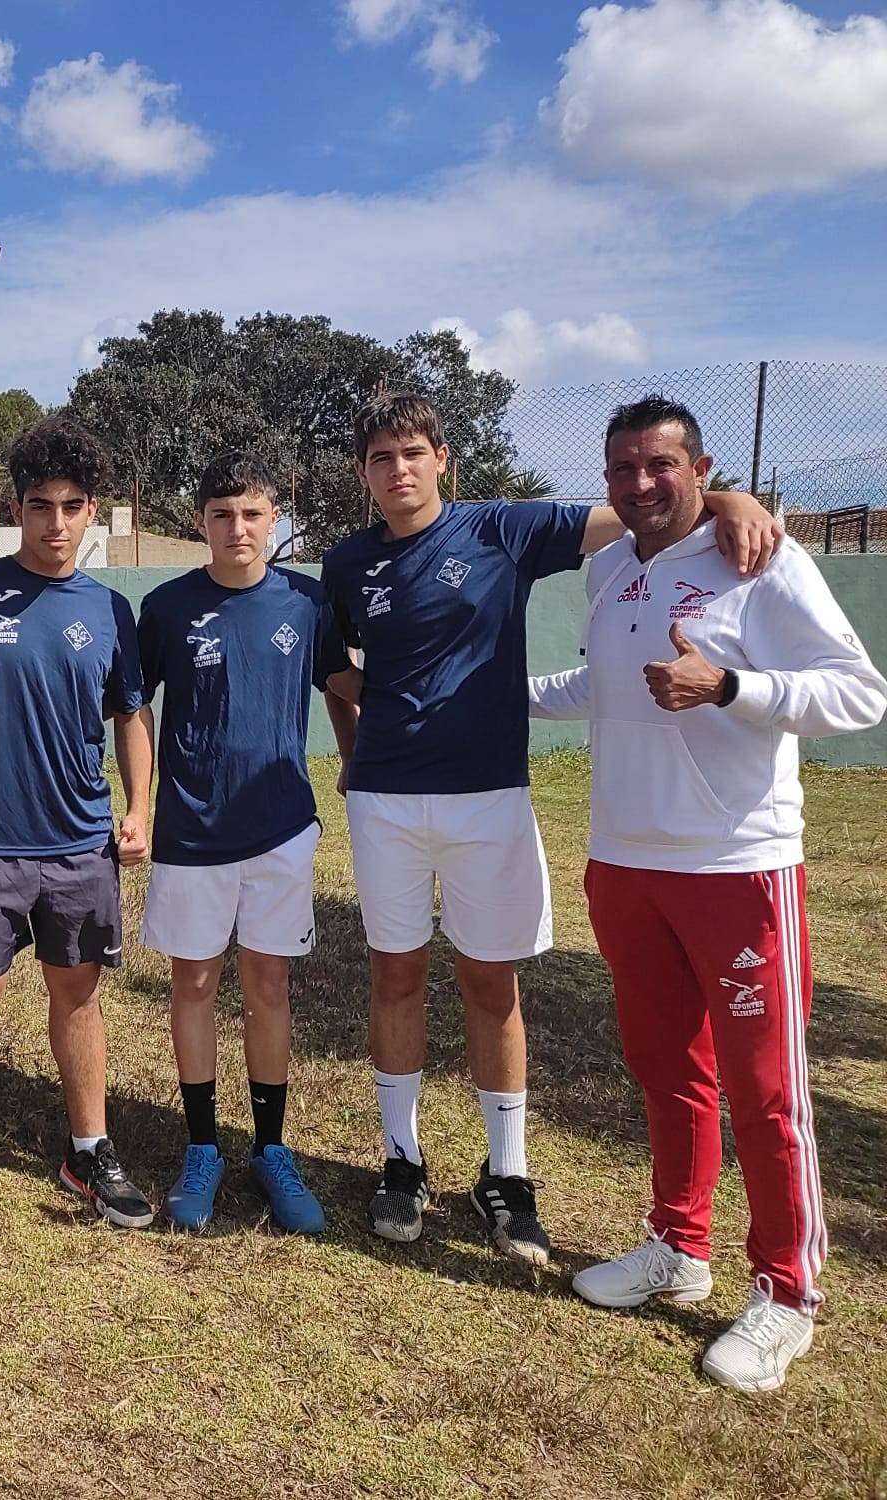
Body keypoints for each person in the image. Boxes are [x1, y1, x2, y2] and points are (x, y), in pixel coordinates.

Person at [320, 392, 780, 1266]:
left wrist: (729, 500)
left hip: (489, 797)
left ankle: (507, 1174)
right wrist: (359, 741)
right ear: (362, 473)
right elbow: (333, 666)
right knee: (395, 975)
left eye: (413, 453)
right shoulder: (346, 563)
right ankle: (401, 1162)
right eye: (381, 458)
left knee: (491, 982)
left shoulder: (504, 529)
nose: (398, 470)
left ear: (443, 459)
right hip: (385, 802)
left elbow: (639, 510)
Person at [529, 395, 885, 1392]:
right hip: (624, 864)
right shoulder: (609, 568)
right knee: (664, 1068)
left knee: (764, 1092)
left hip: (737, 869)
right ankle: (677, 1248)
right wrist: (483, 699)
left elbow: (859, 691)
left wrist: (732, 687)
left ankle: (787, 1295)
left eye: (661, 465)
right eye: (622, 468)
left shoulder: (759, 558)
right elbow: (597, 685)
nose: (641, 483)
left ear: (701, 469)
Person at [0, 417, 153, 1247]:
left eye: (73, 506)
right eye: (40, 505)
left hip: (80, 839)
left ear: (94, 511)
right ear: (14, 509)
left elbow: (131, 712)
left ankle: (88, 1151)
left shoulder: (110, 610)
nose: (57, 523)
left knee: (77, 994)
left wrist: (140, 807)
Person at [137, 453, 359, 1235]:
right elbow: (133, 703)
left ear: (274, 520)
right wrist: (139, 803)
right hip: (191, 830)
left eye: (253, 514)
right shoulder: (167, 607)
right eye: (223, 515)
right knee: (195, 983)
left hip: (281, 828)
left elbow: (341, 684)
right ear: (202, 522)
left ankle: (270, 1147)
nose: (238, 528)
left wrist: (359, 762)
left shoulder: (306, 601)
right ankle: (202, 1147)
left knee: (268, 984)